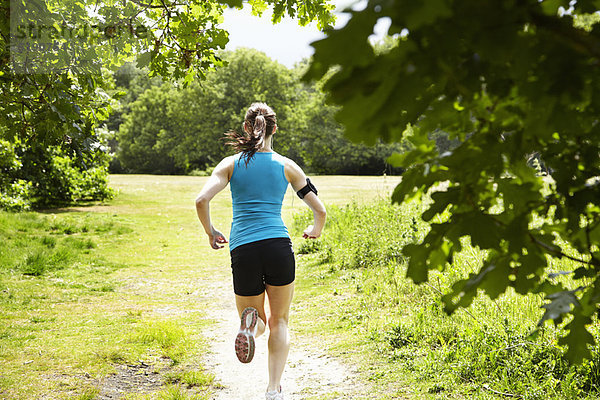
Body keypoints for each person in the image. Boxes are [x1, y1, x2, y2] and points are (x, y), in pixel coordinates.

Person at [195, 102, 327, 400]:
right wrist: (315, 229)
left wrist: (211, 231)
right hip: (278, 246)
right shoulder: (287, 166)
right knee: (280, 320)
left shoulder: (230, 164)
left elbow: (201, 200)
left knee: (256, 319)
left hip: (243, 249)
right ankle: (272, 389)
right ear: (275, 129)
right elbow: (319, 209)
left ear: (246, 127)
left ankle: (250, 330)